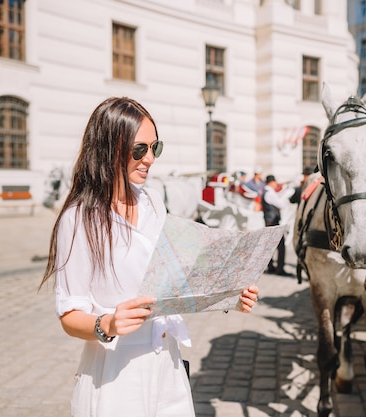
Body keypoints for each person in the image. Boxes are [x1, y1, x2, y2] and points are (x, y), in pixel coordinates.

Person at [38, 97, 260, 417]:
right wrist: (108, 323)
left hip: (167, 364)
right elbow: (70, 315)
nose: (150, 159)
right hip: (115, 374)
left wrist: (229, 294)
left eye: (155, 147)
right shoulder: (80, 219)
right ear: (109, 147)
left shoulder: (153, 202)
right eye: (139, 149)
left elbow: (176, 280)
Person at [262, 175, 292, 276]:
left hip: (269, 222)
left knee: (270, 246)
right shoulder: (270, 193)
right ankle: (279, 269)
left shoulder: (267, 192)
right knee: (280, 246)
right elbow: (281, 204)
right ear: (272, 182)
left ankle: (271, 266)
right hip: (273, 223)